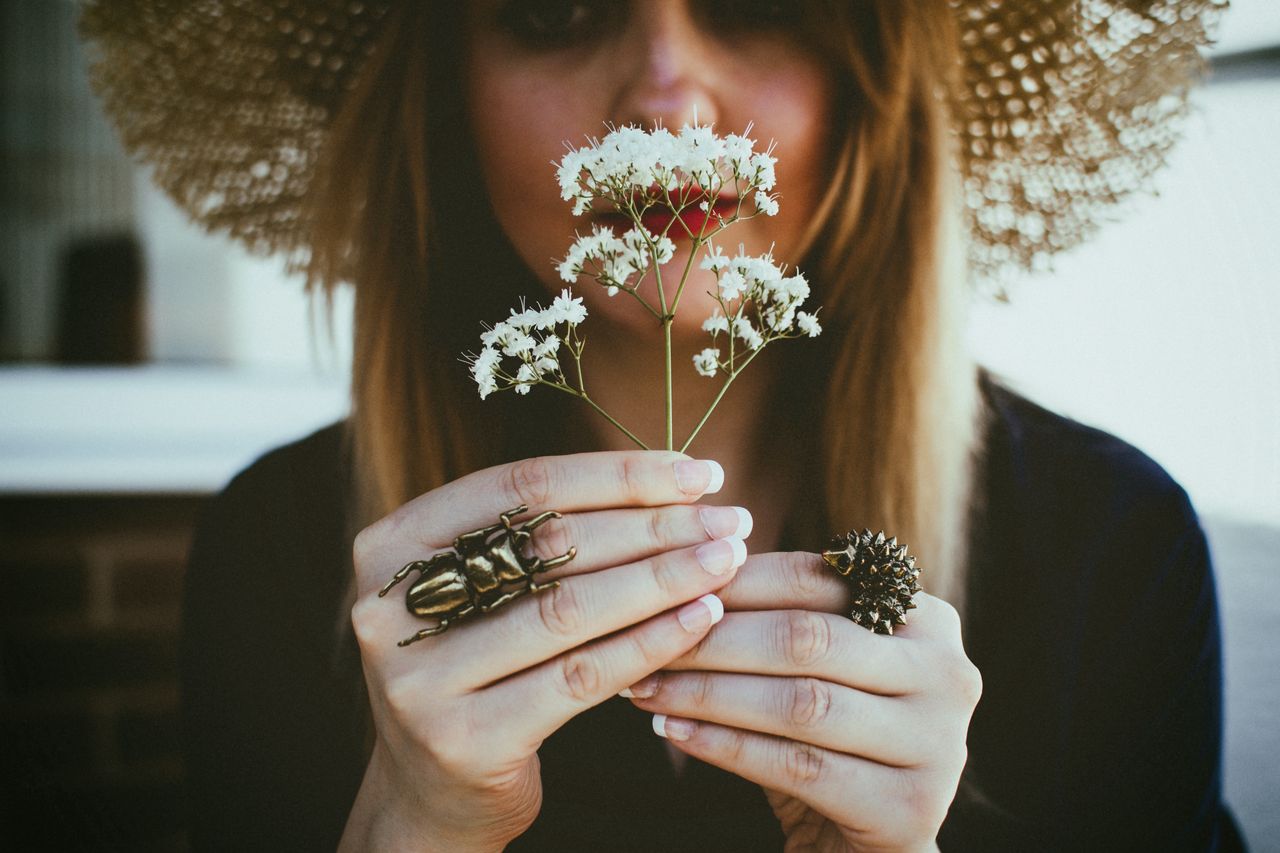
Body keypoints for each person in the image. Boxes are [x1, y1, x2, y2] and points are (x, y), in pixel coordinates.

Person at [80, 0, 1245, 850]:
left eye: (757, 5)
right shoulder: (284, 553)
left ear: (872, 84)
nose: (665, 99)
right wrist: (409, 830)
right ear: (442, 91)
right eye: (555, 12)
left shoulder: (1108, 543)